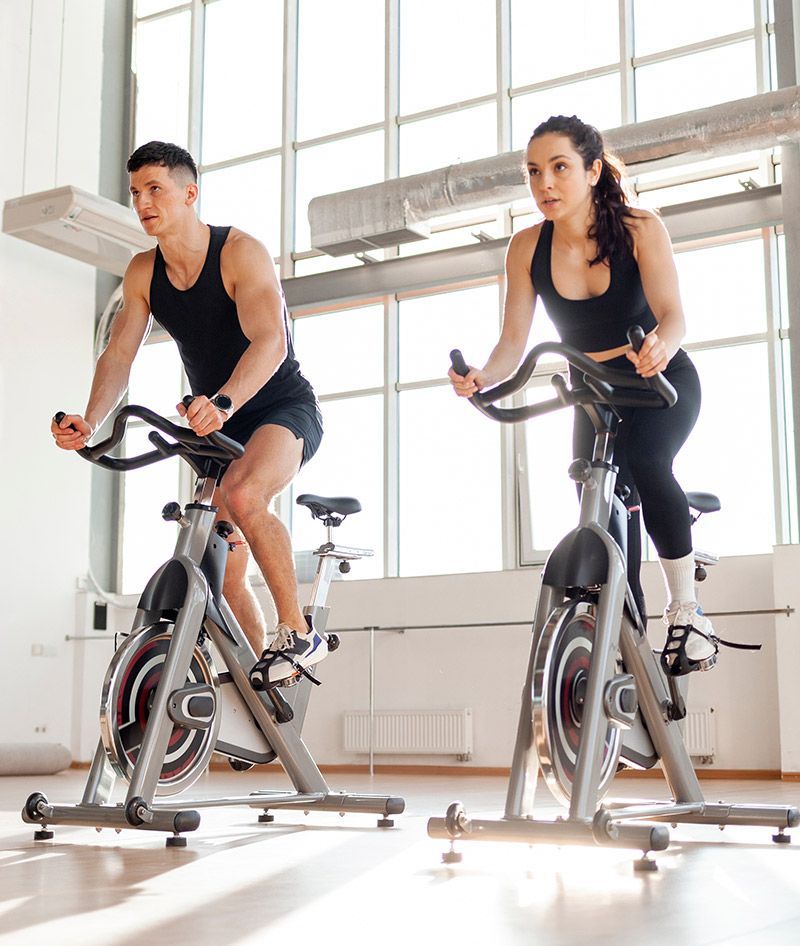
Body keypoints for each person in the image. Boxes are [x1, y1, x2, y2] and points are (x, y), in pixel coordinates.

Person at [450, 114, 717, 677]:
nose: (544, 183)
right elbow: (511, 343)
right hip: (592, 393)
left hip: (659, 381)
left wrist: (661, 345)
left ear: (594, 170)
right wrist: (483, 377)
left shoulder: (641, 228)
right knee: (595, 504)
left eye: (560, 167)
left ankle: (688, 615)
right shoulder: (525, 248)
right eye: (534, 172)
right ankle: (630, 643)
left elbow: (674, 317)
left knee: (646, 460)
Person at [52, 140, 325, 686]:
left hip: (277, 406)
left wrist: (225, 401)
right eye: (135, 192)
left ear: (189, 193)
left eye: (155, 189)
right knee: (222, 574)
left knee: (245, 495)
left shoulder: (239, 252)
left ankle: (298, 633)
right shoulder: (142, 272)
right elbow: (120, 354)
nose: (143, 202)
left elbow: (271, 340)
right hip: (213, 425)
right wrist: (91, 420)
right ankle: (262, 688)